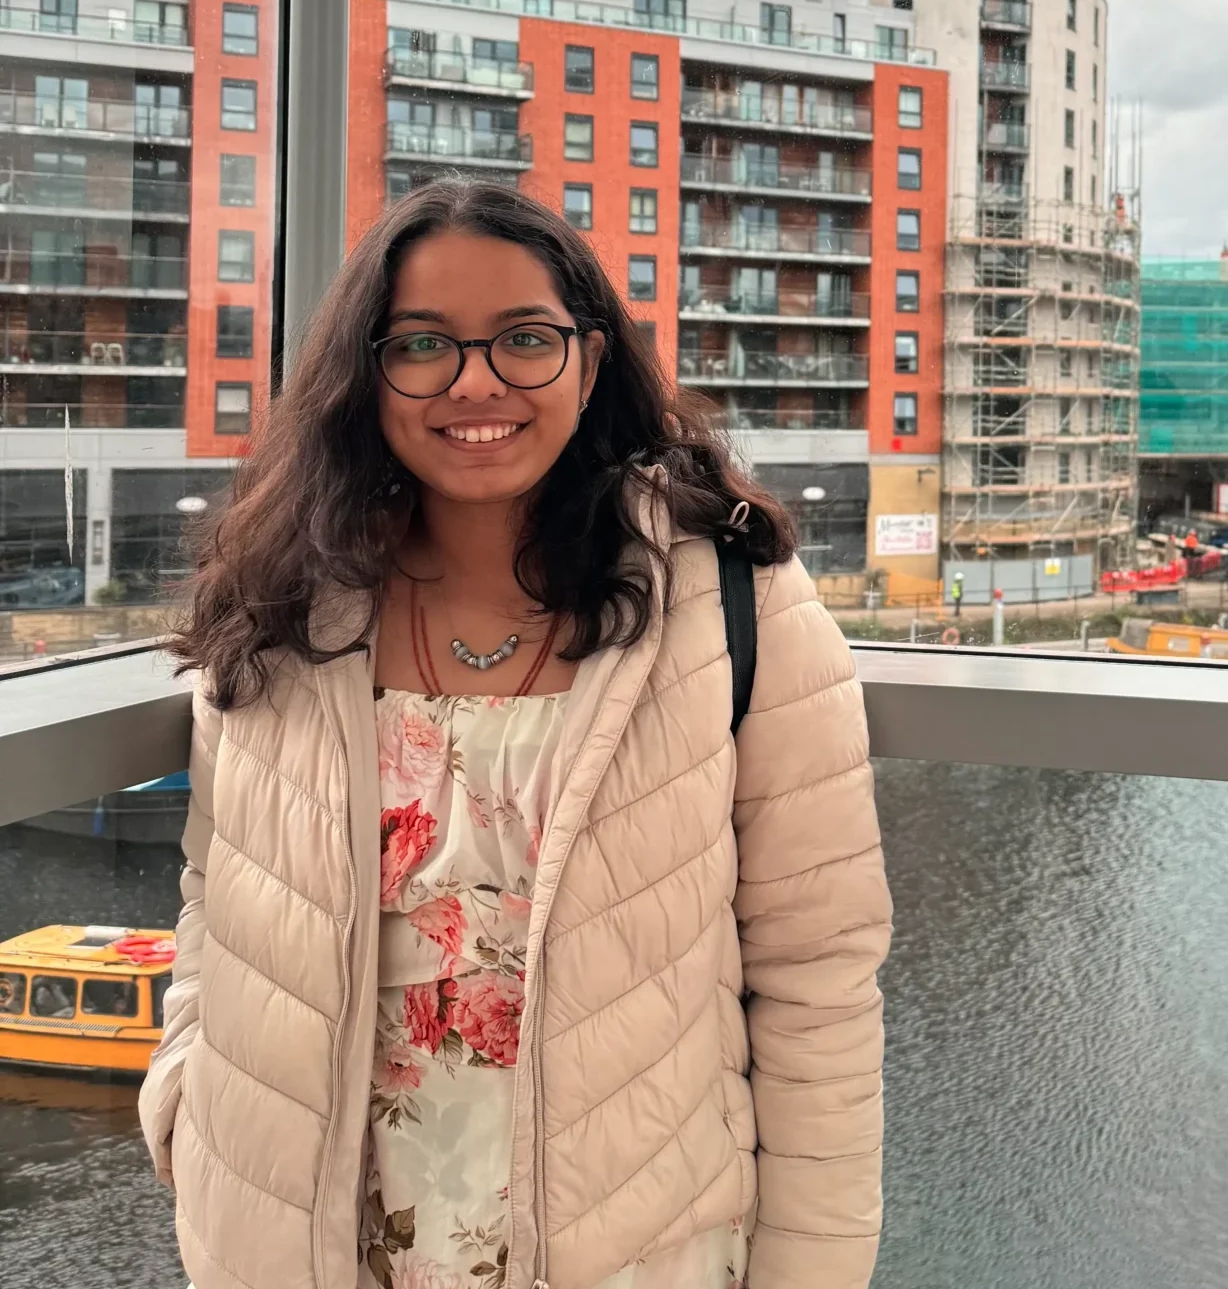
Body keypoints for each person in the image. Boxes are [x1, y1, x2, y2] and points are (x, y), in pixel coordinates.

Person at [142, 181, 891, 1289]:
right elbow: (219, 888)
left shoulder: (732, 607)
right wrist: (187, 1106)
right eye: (423, 346)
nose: (476, 382)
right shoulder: (286, 604)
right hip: (314, 1247)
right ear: (366, 373)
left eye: (525, 340)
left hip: (633, 1247)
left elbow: (818, 975)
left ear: (590, 364)